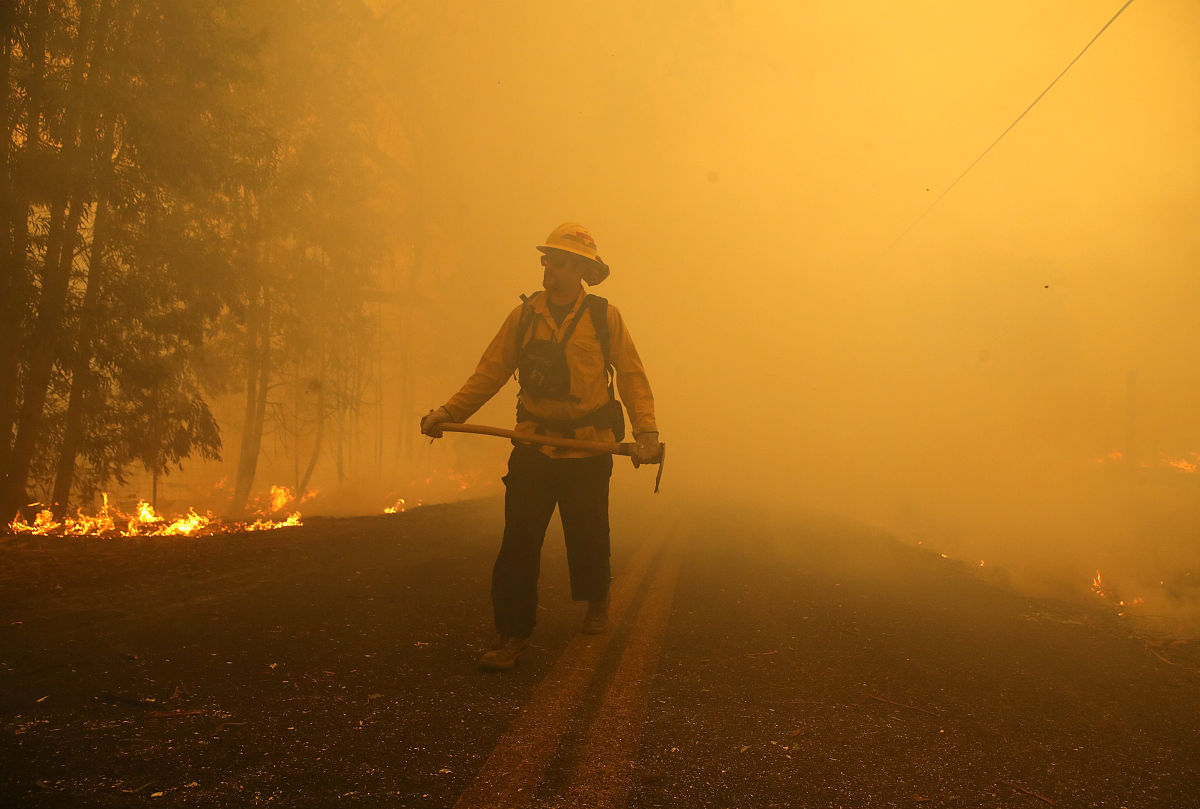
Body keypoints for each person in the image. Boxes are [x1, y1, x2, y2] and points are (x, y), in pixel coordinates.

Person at [420, 223, 661, 671]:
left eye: (561, 261)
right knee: (519, 542)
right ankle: (512, 633)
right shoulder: (525, 316)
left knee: (587, 535)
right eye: (548, 259)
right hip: (533, 445)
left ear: (582, 270)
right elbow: (489, 372)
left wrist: (646, 432)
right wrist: (450, 412)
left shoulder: (604, 318)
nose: (550, 268)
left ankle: (596, 598)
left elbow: (631, 375)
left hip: (590, 449)